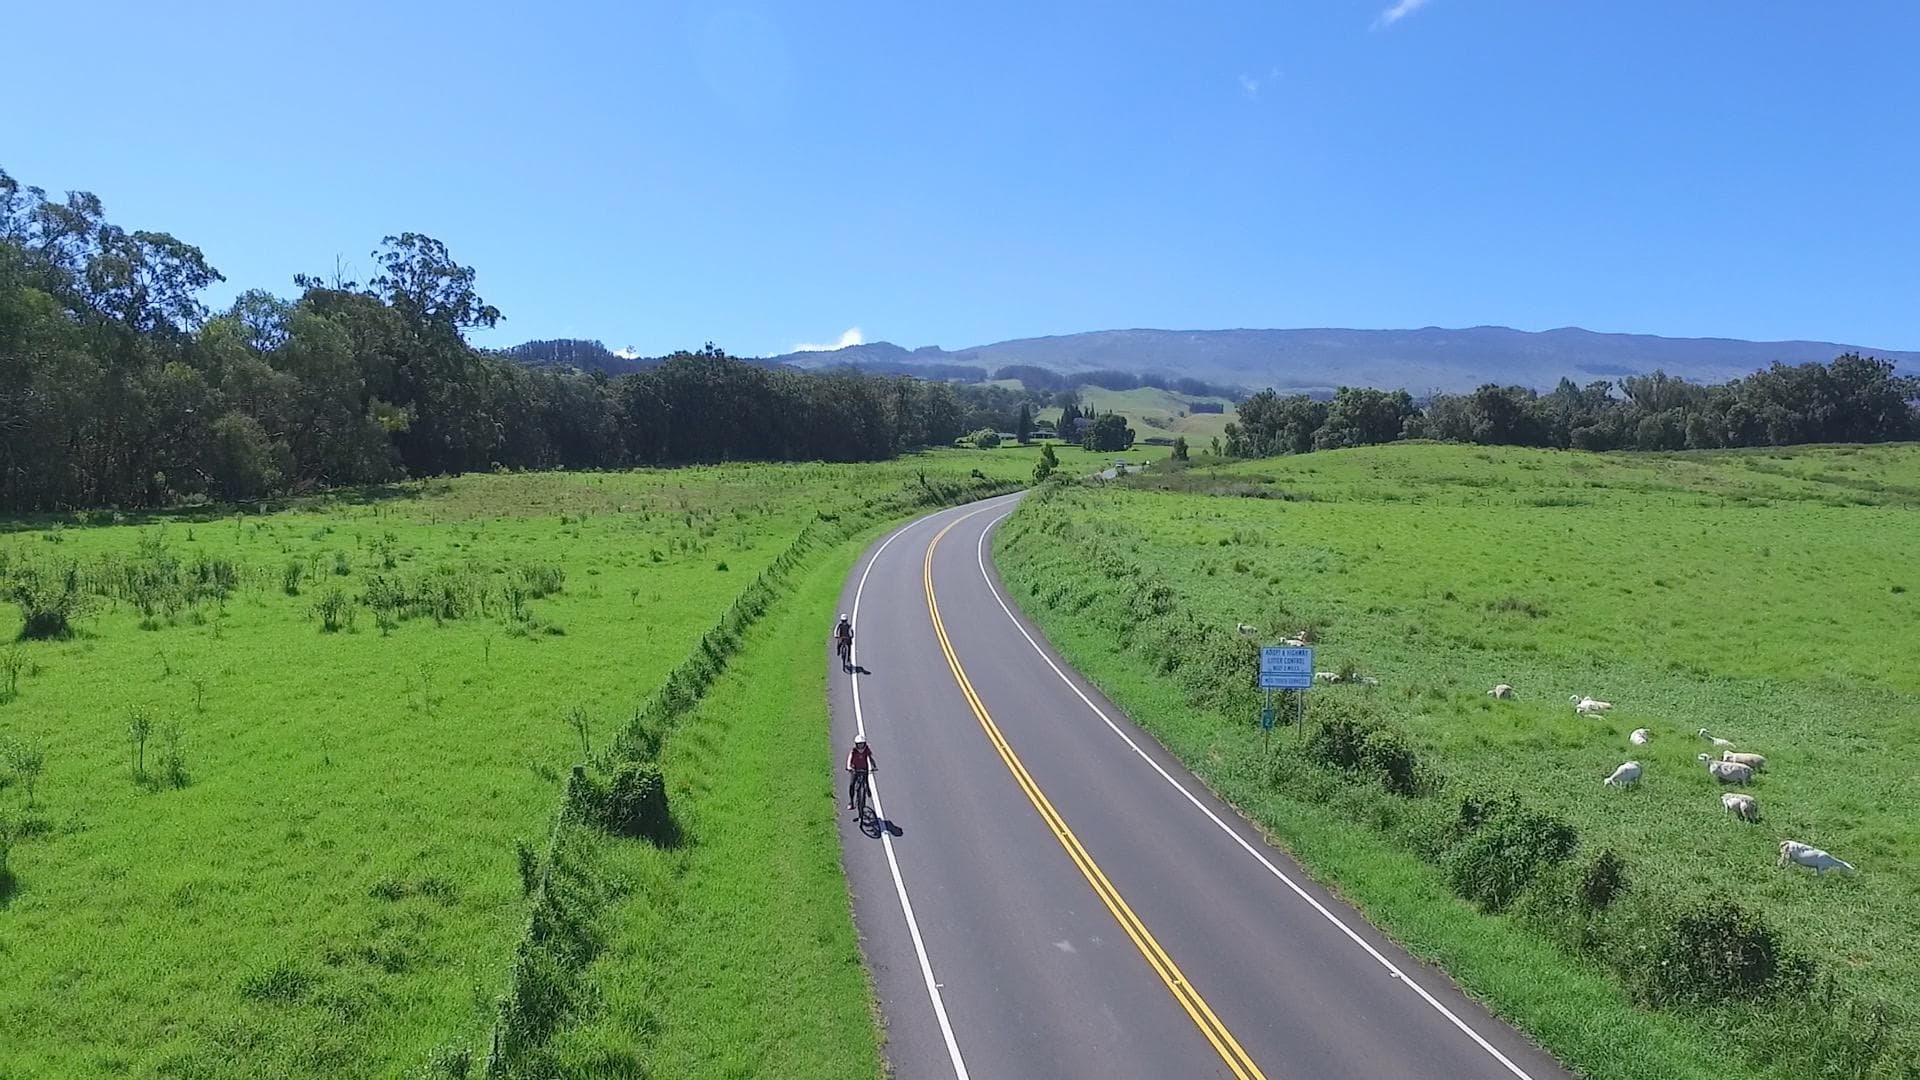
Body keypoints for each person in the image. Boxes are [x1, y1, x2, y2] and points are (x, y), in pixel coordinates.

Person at [846, 736, 876, 811]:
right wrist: (848, 767)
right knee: (852, 784)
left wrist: (873, 766)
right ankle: (851, 802)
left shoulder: (866, 750)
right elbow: (849, 758)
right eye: (859, 744)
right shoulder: (854, 750)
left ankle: (868, 789)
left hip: (864, 768)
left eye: (862, 744)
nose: (860, 746)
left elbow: (870, 758)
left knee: (866, 780)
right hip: (855, 769)